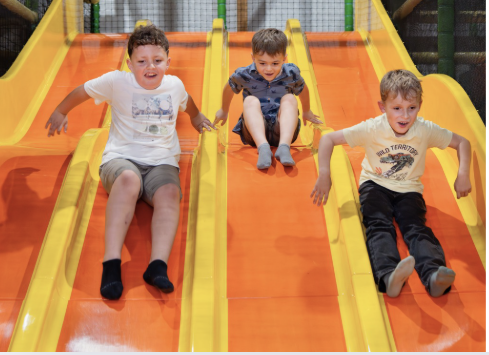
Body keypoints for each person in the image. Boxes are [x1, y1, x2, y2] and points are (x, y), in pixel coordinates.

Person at [44, 23, 215, 300]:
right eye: (142, 61)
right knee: (128, 181)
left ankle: (157, 265)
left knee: (171, 193)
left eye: (158, 61)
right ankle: (111, 264)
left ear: (168, 62)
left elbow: (188, 103)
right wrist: (60, 111)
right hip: (121, 159)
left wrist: (196, 118)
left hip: (161, 162)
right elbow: (83, 90)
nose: (150, 67)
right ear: (130, 63)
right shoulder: (117, 82)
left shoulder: (174, 86)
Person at [309, 70, 472, 298]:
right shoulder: (373, 129)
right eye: (396, 108)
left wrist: (463, 173)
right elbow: (328, 139)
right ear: (382, 107)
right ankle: (388, 276)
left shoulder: (424, 130)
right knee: (378, 224)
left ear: (419, 105)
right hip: (375, 185)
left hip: (409, 190)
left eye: (411, 108)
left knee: (416, 228)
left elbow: (462, 143)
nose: (404, 115)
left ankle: (434, 276)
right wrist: (324, 173)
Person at [214, 28, 321, 169]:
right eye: (262, 63)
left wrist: (307, 110)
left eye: (275, 63)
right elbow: (229, 87)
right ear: (253, 58)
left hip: (283, 130)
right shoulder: (244, 74)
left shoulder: (291, 73)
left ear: (284, 58)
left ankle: (284, 147)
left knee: (289, 98)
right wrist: (224, 110)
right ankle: (263, 148)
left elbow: (303, 89)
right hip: (253, 134)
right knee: (250, 100)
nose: (269, 69)